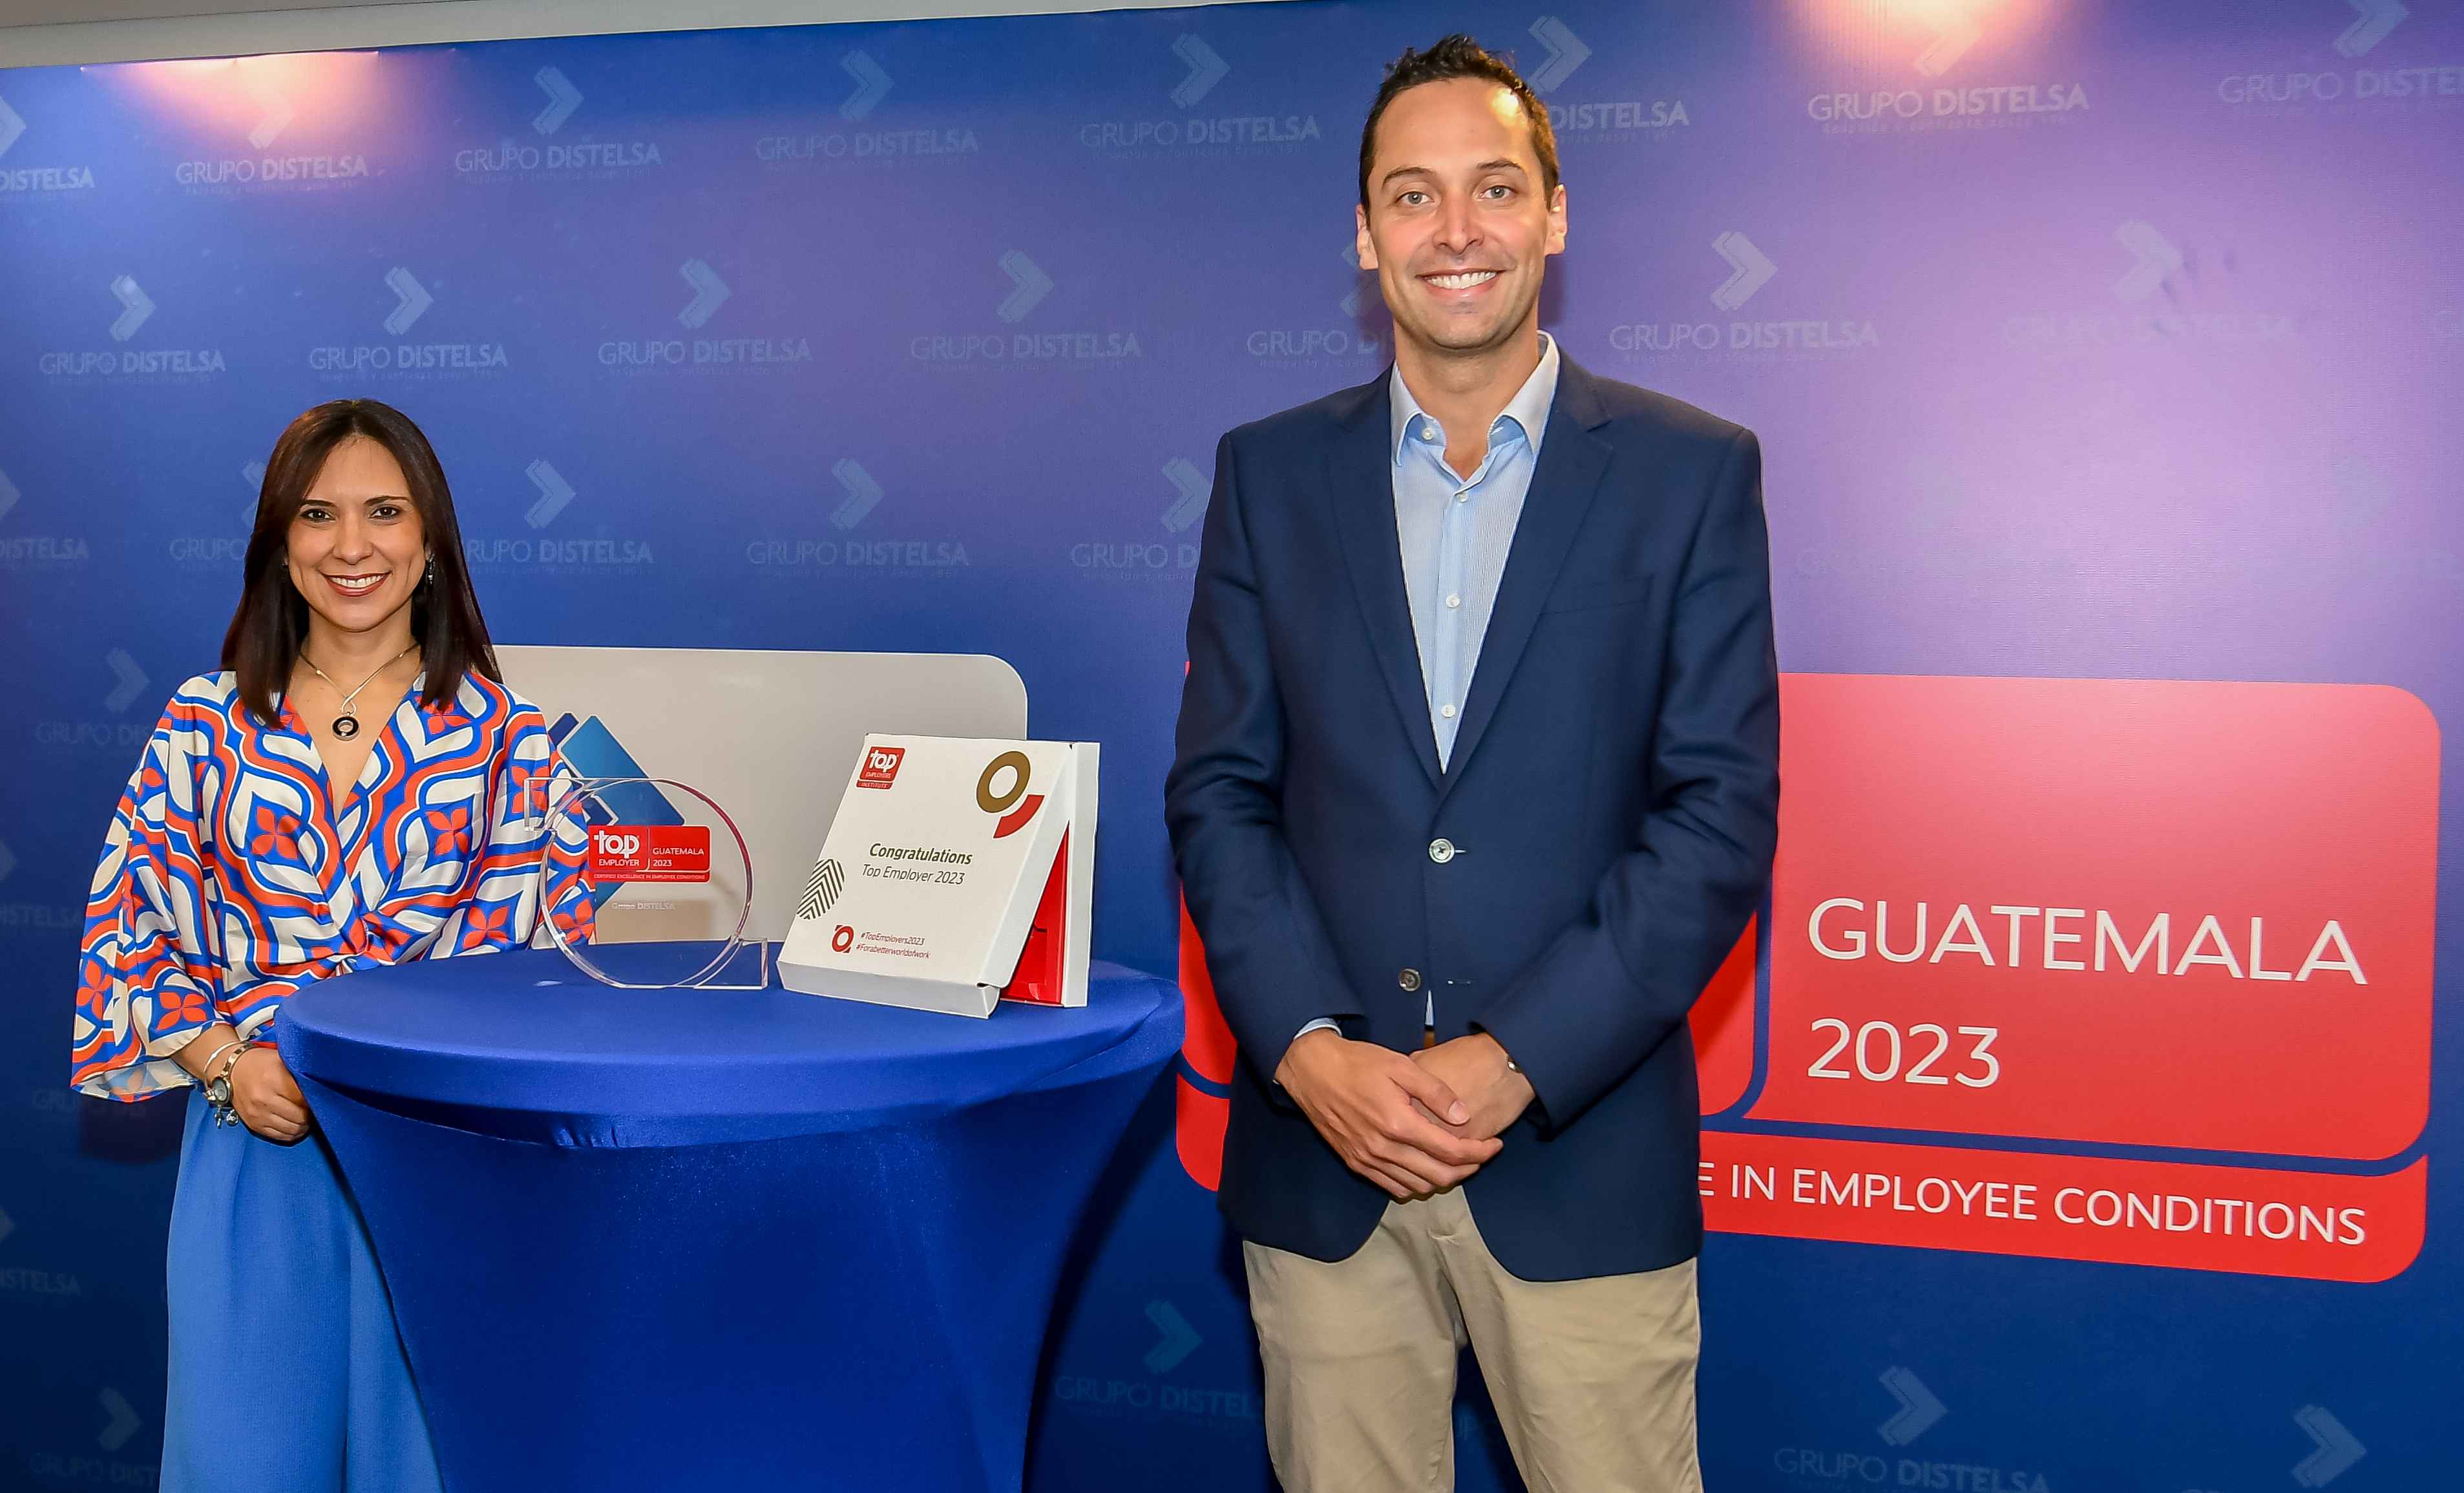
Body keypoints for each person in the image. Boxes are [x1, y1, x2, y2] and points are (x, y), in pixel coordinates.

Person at [1164, 35, 1780, 1492]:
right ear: (1362, 230)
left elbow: (1714, 815)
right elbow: (1220, 794)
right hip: (1321, 1167)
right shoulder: (1266, 474)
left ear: (1554, 215)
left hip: (1577, 1164)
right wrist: (1309, 1054)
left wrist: (1513, 1061)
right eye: (1412, 195)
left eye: (1494, 188)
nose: (1455, 232)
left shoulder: (1690, 473)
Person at [71, 398, 591, 1492]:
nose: (352, 546)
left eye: (384, 512)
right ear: (279, 543)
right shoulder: (203, 725)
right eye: (318, 514)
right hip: (258, 1160)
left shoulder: (515, 739)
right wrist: (224, 1061)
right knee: (243, 1463)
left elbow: (556, 978)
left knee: (432, 1469)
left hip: (439, 1173)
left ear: (432, 539)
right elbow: (130, 928)